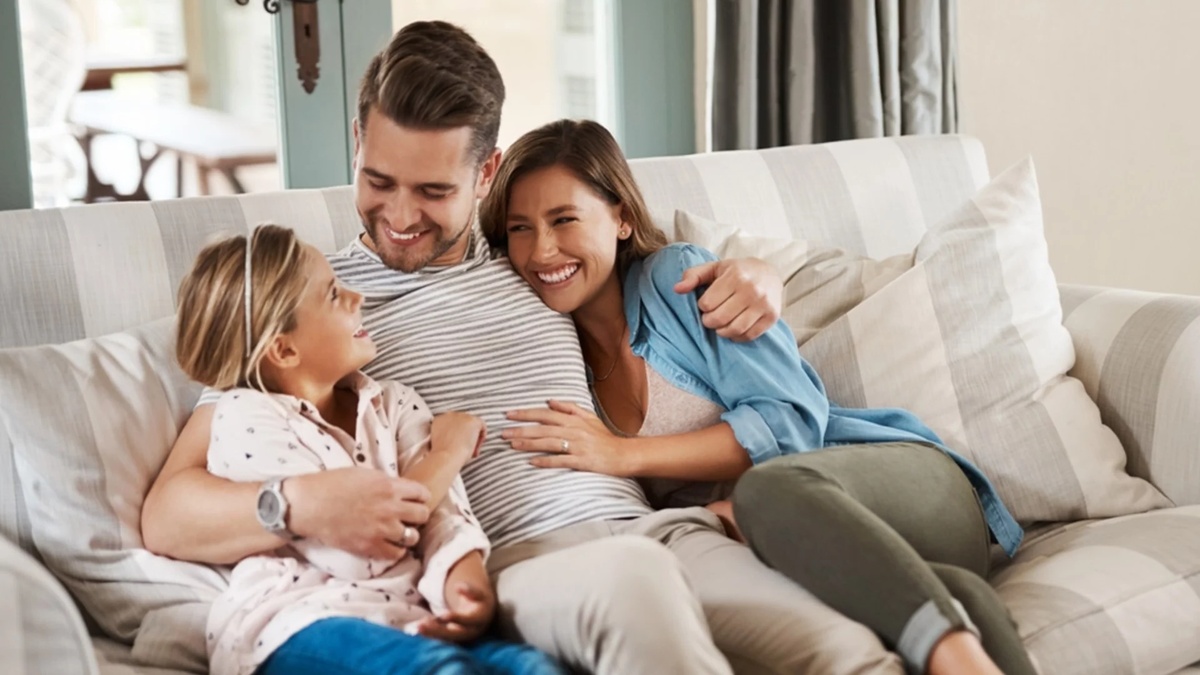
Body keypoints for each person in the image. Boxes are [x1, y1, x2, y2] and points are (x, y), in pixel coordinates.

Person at [139, 20, 896, 675]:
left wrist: (762, 278)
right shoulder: (314, 306)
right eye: (378, 180)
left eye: (434, 192)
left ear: (487, 171)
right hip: (518, 561)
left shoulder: (538, 259)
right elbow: (170, 510)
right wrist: (297, 502)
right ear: (356, 142)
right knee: (634, 581)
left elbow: (655, 261)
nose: (399, 216)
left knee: (844, 647)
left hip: (658, 530)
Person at [476, 118, 1039, 675]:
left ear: (621, 218)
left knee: (771, 489)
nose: (542, 250)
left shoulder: (679, 282)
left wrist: (625, 455)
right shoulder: (549, 353)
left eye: (564, 219)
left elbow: (792, 424)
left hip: (897, 490)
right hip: (818, 551)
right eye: (520, 228)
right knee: (956, 595)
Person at [174, 224, 565, 675]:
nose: (357, 298)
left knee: (531, 666)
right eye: (334, 296)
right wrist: (448, 453)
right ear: (283, 350)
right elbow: (362, 550)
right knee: (441, 670)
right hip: (297, 625)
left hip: (408, 617)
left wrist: (462, 580)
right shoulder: (246, 416)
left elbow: (445, 510)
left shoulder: (395, 403)